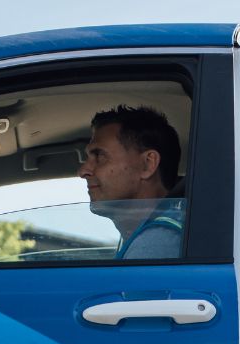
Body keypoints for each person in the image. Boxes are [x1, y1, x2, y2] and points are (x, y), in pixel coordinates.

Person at [78, 105, 184, 259]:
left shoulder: (156, 244)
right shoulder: (146, 237)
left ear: (147, 164)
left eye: (100, 156)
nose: (82, 171)